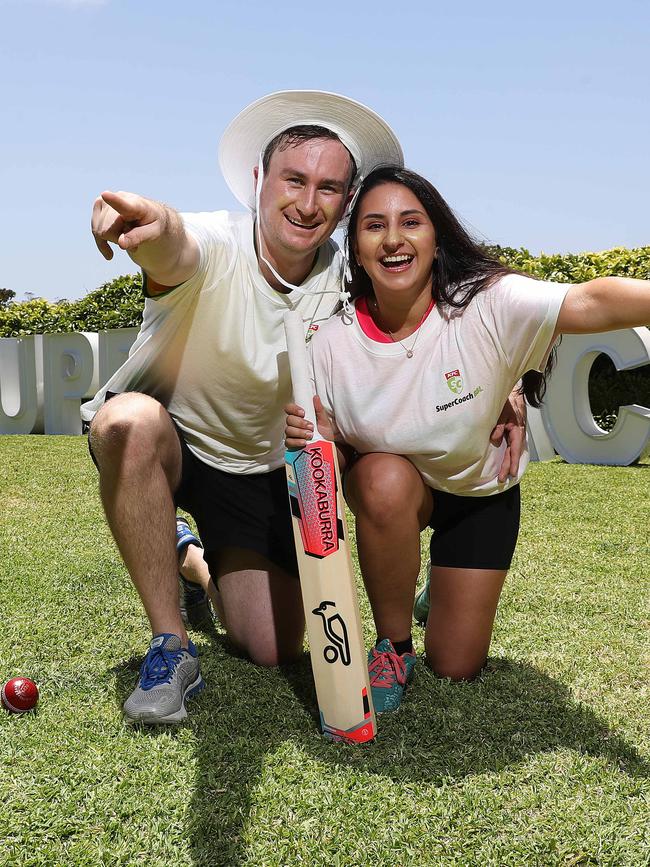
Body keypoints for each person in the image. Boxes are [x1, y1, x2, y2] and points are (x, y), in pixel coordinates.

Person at [84, 93, 523, 726]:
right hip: (178, 445)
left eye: (330, 188)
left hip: (264, 473)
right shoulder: (214, 241)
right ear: (259, 180)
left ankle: (189, 556)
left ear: (346, 204)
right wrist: (149, 222)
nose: (308, 203)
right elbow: (172, 245)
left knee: (268, 645)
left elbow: (442, 310)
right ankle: (170, 645)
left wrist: (503, 381)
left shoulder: (351, 278)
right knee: (126, 422)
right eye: (294, 179)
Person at [285, 164, 650, 713]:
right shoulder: (329, 342)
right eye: (373, 226)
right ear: (355, 250)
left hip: (480, 494)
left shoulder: (488, 303)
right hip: (396, 494)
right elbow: (329, 466)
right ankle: (394, 645)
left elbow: (592, 301)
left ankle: (440, 592)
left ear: (436, 238)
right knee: (382, 476)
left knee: (457, 666)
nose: (393, 240)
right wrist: (318, 443)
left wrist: (512, 392)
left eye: (411, 222)